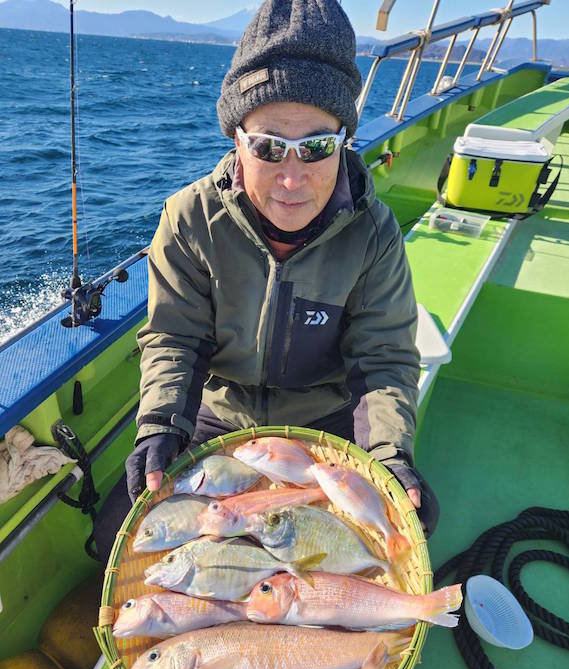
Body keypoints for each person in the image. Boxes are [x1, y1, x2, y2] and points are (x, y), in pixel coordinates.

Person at [95, 0, 438, 562]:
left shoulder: (373, 234)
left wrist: (389, 455)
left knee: (384, 541)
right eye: (269, 147)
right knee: (122, 537)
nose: (292, 178)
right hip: (218, 417)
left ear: (344, 140)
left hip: (326, 425)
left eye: (317, 148)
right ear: (237, 140)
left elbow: (383, 360)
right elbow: (175, 339)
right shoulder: (189, 220)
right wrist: (162, 423)